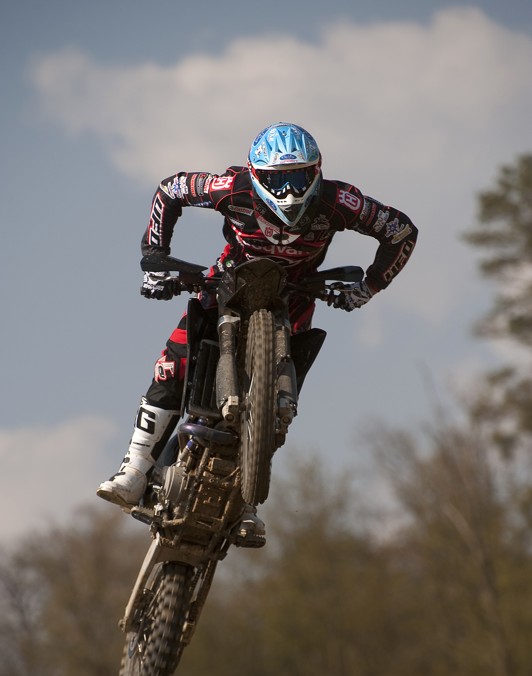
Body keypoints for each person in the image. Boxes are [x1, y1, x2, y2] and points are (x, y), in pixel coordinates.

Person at [97, 122, 418, 545]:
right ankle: (135, 468)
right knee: (173, 363)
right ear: (255, 174)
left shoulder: (340, 201)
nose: (288, 191)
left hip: (295, 296)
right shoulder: (231, 188)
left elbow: (400, 231)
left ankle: (247, 503)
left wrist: (369, 286)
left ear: (316, 172)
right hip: (226, 284)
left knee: (282, 405)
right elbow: (171, 189)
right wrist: (155, 258)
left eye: (298, 178)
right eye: (276, 179)